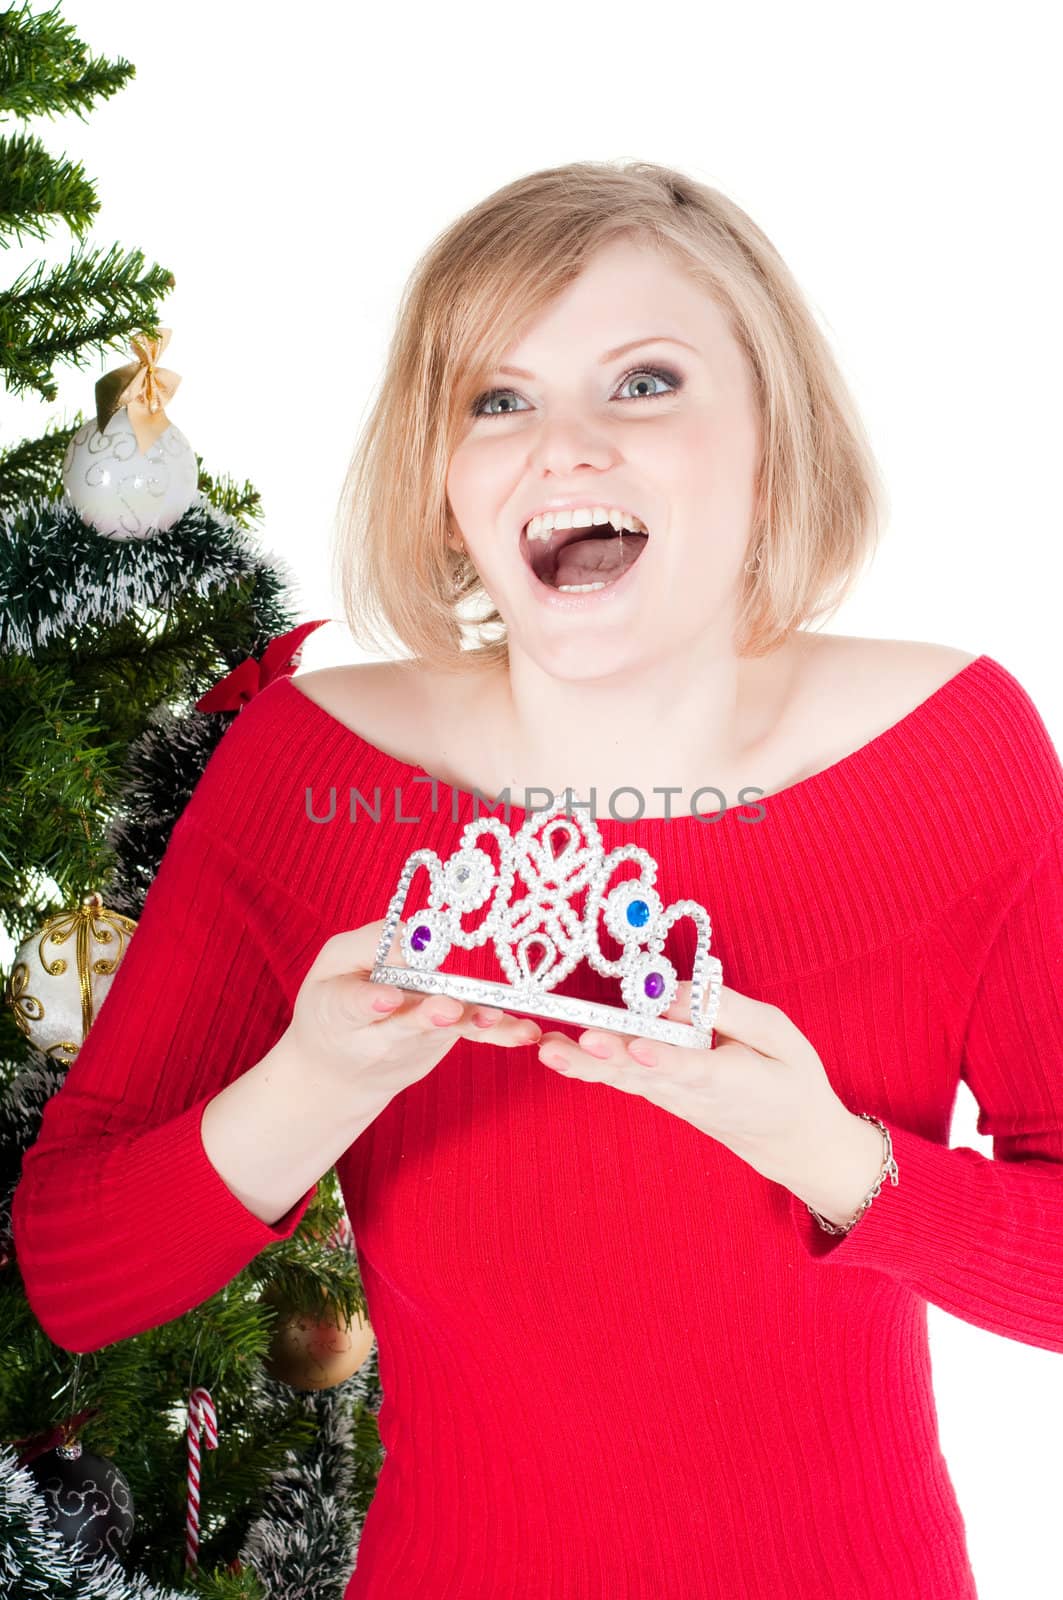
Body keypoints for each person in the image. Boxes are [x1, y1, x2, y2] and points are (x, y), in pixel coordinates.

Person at [13, 161, 1063, 1600]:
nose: (563, 447)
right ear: (447, 489)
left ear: (774, 438)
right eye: (497, 400)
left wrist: (829, 1156)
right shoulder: (305, 770)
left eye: (644, 382)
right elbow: (78, 1271)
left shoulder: (956, 750)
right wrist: (319, 1079)